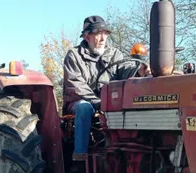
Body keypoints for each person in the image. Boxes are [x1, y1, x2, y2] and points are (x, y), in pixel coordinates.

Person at [63, 15, 151, 161]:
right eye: (98, 34)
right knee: (85, 108)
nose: (103, 38)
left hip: (108, 102)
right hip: (79, 101)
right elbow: (75, 84)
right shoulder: (74, 55)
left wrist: (139, 71)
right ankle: (80, 157)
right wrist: (97, 101)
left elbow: (125, 69)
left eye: (105, 34)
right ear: (87, 36)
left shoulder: (114, 54)